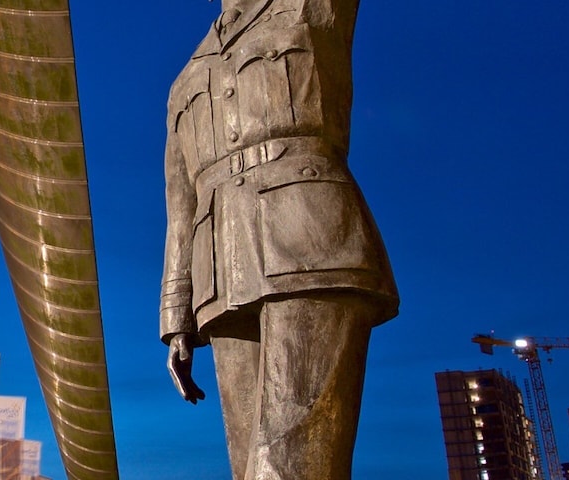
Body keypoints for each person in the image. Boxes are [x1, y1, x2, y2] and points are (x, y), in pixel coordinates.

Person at [159, 0, 398, 478]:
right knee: (248, 463)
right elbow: (179, 203)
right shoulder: (186, 77)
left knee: (289, 461)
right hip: (219, 277)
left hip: (311, 243)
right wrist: (176, 315)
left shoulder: (310, 8)